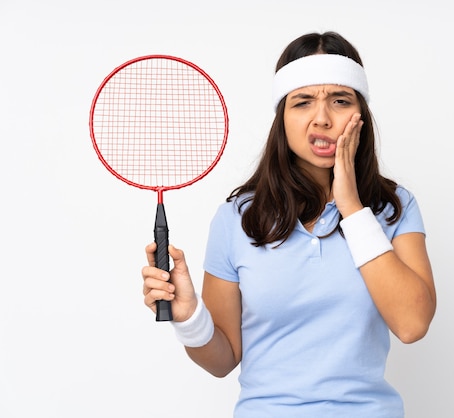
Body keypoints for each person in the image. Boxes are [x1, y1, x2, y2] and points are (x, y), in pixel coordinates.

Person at [142, 31, 436, 418]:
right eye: (303, 102)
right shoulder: (237, 219)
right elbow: (223, 359)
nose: (322, 118)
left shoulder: (394, 208)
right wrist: (189, 316)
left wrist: (350, 205)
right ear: (282, 117)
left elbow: (412, 324)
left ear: (360, 114)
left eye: (340, 100)